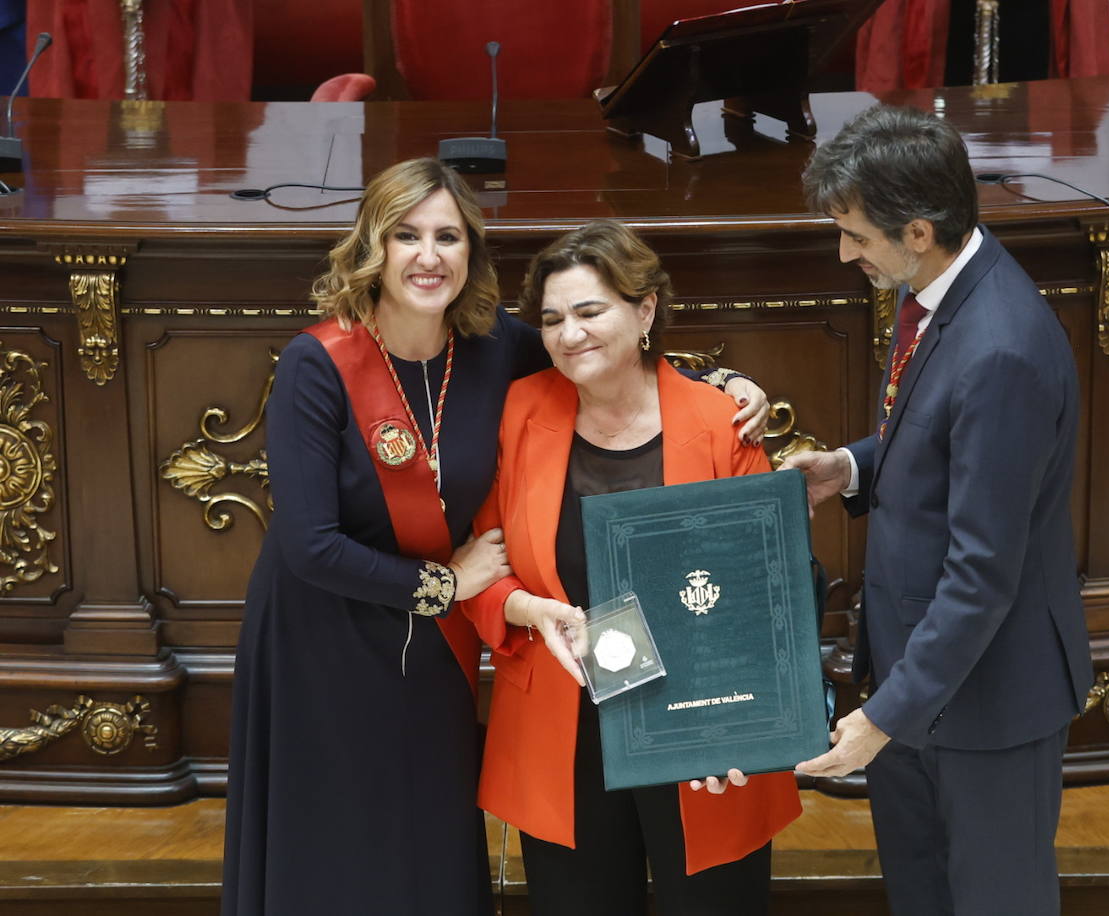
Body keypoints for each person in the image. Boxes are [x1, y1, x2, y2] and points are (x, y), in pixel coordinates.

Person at [221, 160, 769, 915]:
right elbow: (310, 546)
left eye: (448, 235)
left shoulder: (494, 345)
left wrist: (730, 382)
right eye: (406, 235)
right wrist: (450, 585)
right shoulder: (318, 365)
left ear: (472, 252)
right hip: (329, 629)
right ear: (372, 246)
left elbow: (608, 350)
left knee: (432, 832)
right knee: (336, 833)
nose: (428, 255)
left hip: (435, 647)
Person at [785, 105, 1093, 915]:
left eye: (854, 233)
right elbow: (938, 440)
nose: (844, 251)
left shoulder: (1002, 349)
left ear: (917, 229)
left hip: (986, 701)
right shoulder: (937, 291)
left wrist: (882, 716)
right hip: (924, 684)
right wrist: (851, 467)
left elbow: (982, 573)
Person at [447, 219, 801, 916]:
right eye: (551, 318)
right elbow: (484, 567)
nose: (568, 333)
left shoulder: (721, 418)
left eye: (589, 311)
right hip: (563, 718)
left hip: (703, 721)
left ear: (645, 311)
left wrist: (746, 723)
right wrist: (523, 607)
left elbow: (771, 591)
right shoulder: (518, 412)